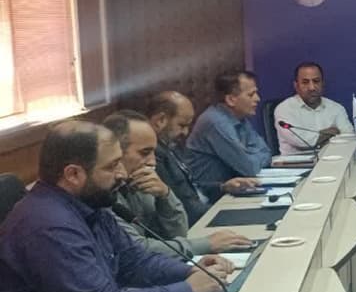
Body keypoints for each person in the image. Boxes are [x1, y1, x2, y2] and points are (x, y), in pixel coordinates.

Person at [0, 121, 228, 292]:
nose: (123, 174)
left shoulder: (89, 203)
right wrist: (189, 290)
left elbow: (136, 261)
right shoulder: (48, 224)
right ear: (73, 174)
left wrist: (189, 271)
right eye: (111, 166)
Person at [103, 111, 250, 260]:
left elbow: (177, 234)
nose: (152, 162)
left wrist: (165, 196)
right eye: (144, 153)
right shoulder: (102, 195)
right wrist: (207, 244)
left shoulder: (137, 182)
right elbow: (137, 250)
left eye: (153, 152)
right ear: (115, 152)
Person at [146, 91, 259, 223]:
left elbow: (192, 189)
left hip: (203, 212)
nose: (185, 132)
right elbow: (181, 205)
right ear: (160, 120)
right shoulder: (154, 156)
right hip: (193, 222)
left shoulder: (171, 146)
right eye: (182, 125)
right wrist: (225, 215)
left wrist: (223, 187)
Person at [186, 71, 273, 191]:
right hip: (209, 195)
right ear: (231, 100)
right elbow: (250, 168)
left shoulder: (240, 117)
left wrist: (252, 157)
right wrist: (253, 156)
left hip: (234, 189)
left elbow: (267, 151)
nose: (258, 99)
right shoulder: (215, 122)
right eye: (251, 94)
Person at [274, 62, 353, 155]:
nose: (312, 88)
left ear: (323, 83)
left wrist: (318, 137)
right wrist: (330, 133)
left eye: (316, 81)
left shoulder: (336, 108)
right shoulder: (284, 109)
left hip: (332, 158)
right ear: (296, 85)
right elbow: (301, 141)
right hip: (296, 162)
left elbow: (349, 138)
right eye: (305, 82)